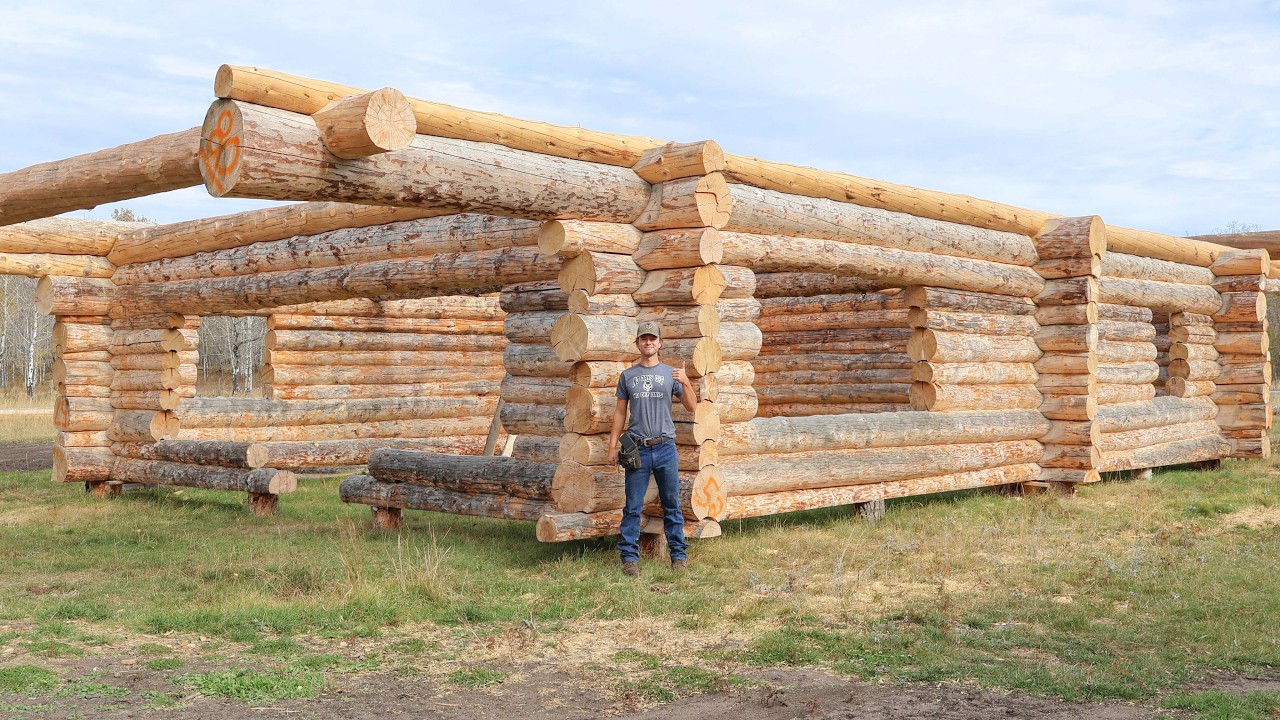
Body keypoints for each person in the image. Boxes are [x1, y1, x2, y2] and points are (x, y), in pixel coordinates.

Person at [607, 321, 697, 577]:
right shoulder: (628, 376)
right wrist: (613, 445)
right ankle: (629, 559)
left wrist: (687, 382)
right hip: (637, 448)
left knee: (672, 504)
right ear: (638, 343)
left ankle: (678, 556)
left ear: (659, 343)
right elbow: (620, 412)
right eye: (643, 339)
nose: (648, 343)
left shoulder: (671, 373)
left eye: (652, 339)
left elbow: (692, 407)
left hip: (666, 447)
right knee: (633, 505)